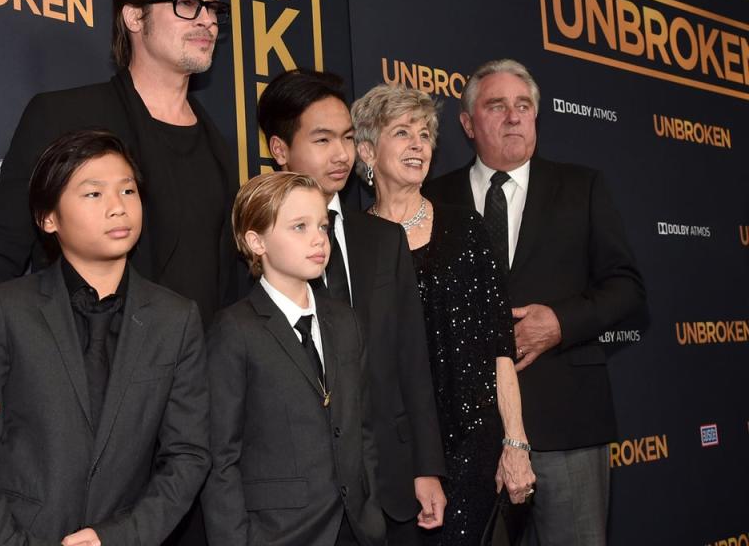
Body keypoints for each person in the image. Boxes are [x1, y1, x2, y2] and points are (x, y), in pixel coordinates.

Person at [0, 0, 236, 491]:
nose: (206, 19)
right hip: (84, 434)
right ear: (134, 16)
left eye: (213, 8)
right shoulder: (64, 115)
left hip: (186, 443)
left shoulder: (221, 147)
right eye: (186, 4)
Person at [0, 129, 209, 546]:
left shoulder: (176, 319)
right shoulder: (7, 308)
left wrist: (119, 537)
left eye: (128, 191)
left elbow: (188, 456)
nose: (118, 207)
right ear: (49, 219)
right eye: (93, 194)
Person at [424, 59, 646, 545]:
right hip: (467, 438)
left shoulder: (582, 186)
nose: (513, 117)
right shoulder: (433, 200)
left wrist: (560, 323)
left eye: (523, 106)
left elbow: (628, 289)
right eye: (496, 106)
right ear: (466, 123)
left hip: (565, 425)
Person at [257, 69, 447, 544]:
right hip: (299, 495)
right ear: (280, 150)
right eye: (322, 139)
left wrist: (427, 465)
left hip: (392, 482)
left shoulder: (383, 240)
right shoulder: (253, 244)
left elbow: (412, 359)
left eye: (346, 137)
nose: (341, 154)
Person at [351, 84, 536, 545]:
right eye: (402, 133)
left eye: (425, 134)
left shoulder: (466, 227)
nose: (419, 145)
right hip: (398, 445)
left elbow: (500, 346)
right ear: (367, 151)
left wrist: (515, 442)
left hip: (474, 437)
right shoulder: (350, 242)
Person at [202, 172, 386, 546]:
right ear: (256, 241)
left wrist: (371, 510)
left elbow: (362, 427)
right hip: (278, 533)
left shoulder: (345, 321)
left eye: (322, 225)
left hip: (356, 529)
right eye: (299, 227)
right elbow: (220, 459)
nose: (319, 238)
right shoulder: (235, 330)